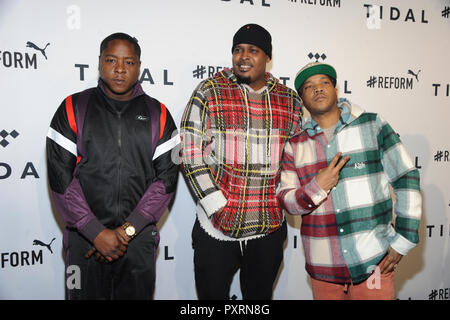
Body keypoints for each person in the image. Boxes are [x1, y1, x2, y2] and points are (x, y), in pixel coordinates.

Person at [46, 32, 179, 299]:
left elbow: (166, 181)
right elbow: (61, 178)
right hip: (84, 239)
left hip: (138, 239)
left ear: (139, 66)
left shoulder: (160, 114)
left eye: (129, 62)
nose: (119, 69)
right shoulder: (72, 107)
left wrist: (126, 231)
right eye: (111, 60)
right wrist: (95, 231)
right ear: (99, 63)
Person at [277, 62, 422, 300]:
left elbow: (406, 177)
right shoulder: (295, 145)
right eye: (308, 86)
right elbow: (287, 201)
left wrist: (404, 238)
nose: (318, 89)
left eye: (324, 82)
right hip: (324, 271)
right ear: (302, 98)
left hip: (373, 263)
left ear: (336, 89)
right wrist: (317, 187)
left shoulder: (372, 125)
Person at [180, 24, 302, 300]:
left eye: (253, 50)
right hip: (216, 226)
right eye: (238, 50)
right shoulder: (210, 90)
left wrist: (282, 198)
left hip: (268, 227)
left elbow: (297, 158)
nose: (243, 56)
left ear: (267, 57)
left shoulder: (289, 100)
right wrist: (215, 205)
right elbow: (189, 151)